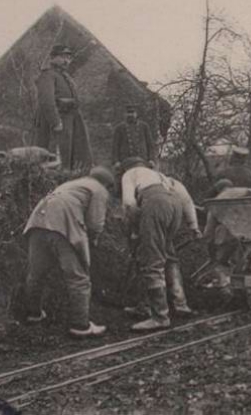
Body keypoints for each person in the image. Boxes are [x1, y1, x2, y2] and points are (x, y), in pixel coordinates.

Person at [22, 166, 114, 338]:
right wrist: (92, 241)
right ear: (107, 185)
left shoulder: (73, 184)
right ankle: (80, 325)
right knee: (79, 278)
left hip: (38, 220)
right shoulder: (99, 189)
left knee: (36, 273)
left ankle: (33, 314)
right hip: (63, 224)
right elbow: (95, 223)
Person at [121, 157, 202, 331]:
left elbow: (129, 204)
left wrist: (135, 230)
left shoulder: (130, 173)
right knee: (168, 255)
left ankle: (160, 316)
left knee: (151, 260)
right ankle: (179, 304)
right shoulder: (165, 178)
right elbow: (187, 201)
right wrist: (193, 226)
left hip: (155, 206)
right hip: (175, 208)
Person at [33, 44, 93, 170]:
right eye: (63, 57)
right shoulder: (48, 75)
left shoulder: (65, 77)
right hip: (55, 123)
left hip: (70, 121)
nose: (66, 61)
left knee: (72, 156)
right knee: (56, 157)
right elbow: (46, 100)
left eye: (68, 58)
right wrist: (55, 121)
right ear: (53, 58)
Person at [112, 104, 156, 169]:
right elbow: (115, 146)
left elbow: (150, 144)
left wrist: (151, 159)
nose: (130, 115)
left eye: (132, 113)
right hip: (125, 161)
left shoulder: (144, 126)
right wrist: (116, 161)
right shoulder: (119, 128)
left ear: (136, 114)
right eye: (128, 113)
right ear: (125, 114)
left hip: (143, 160)